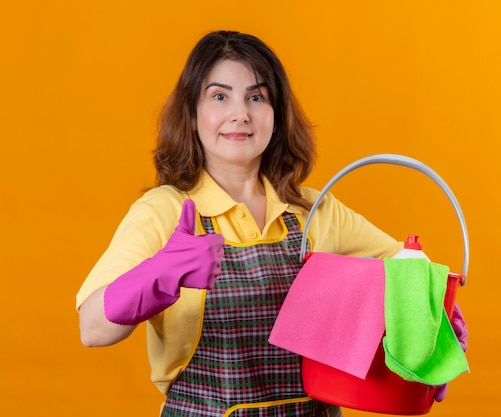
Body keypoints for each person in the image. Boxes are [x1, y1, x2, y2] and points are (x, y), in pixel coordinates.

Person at [76, 30, 466, 416]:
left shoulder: (314, 210)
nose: (240, 114)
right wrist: (159, 275)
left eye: (256, 97)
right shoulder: (164, 211)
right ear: (192, 116)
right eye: (219, 95)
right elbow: (93, 330)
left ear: (276, 116)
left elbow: (405, 267)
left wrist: (432, 322)